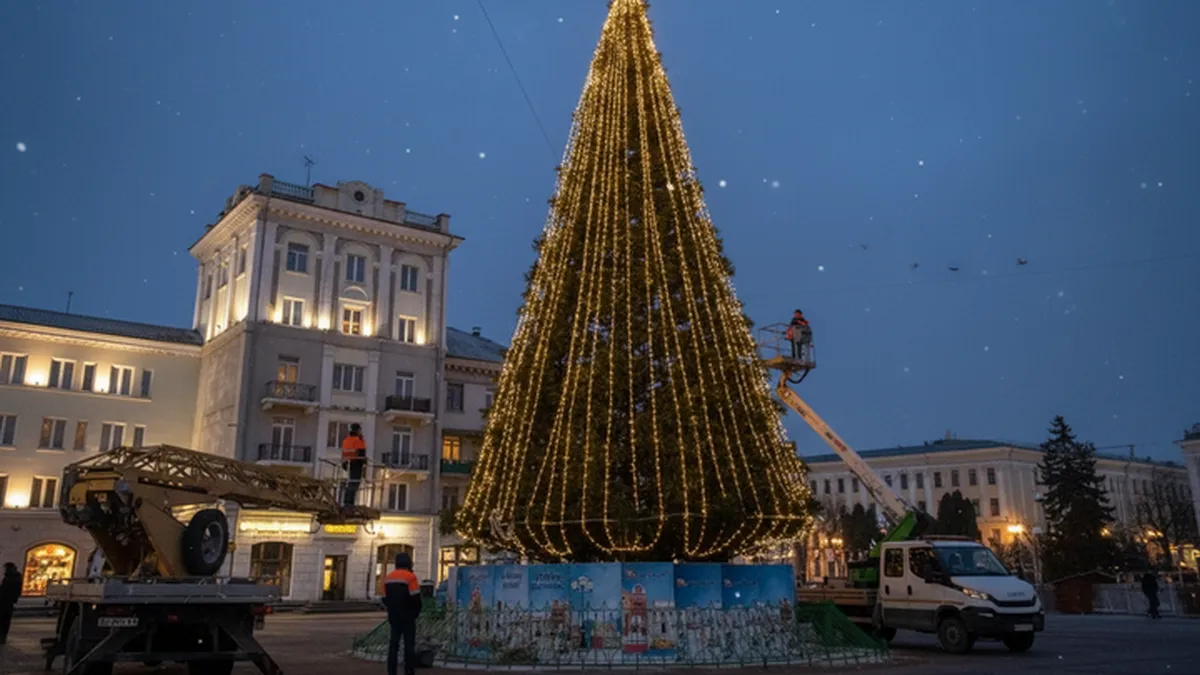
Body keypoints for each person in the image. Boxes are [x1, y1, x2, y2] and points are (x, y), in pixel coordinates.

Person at [382, 552, 423, 675]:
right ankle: (409, 670)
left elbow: (384, 598)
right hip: (408, 617)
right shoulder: (410, 577)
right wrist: (415, 613)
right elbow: (416, 598)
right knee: (409, 646)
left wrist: (392, 609)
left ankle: (391, 671)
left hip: (394, 616)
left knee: (393, 645)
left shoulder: (388, 578)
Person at [340, 423, 367, 507]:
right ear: (358, 430)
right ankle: (349, 503)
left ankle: (346, 502)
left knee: (350, 483)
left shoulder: (346, 440)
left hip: (347, 464)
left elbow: (345, 453)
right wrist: (364, 465)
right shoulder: (358, 441)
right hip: (356, 465)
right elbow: (361, 455)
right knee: (354, 484)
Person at [0, 561, 22, 644]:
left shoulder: (13, 577)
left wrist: (12, 599)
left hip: (6, 602)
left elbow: (11, 590)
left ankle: (2, 637)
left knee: (4, 620)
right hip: (6, 601)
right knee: (4, 620)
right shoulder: (10, 576)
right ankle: (2, 637)